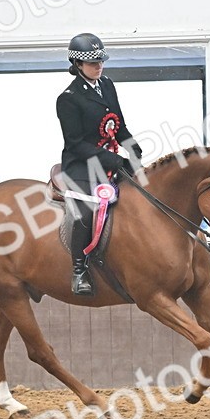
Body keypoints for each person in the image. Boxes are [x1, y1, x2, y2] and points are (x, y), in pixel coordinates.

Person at [56, 33, 142, 296]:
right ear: (78, 65)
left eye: (100, 61)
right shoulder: (68, 98)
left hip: (112, 158)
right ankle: (79, 270)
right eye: (92, 63)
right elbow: (76, 144)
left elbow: (118, 125)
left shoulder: (107, 85)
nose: (99, 66)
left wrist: (133, 149)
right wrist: (115, 160)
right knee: (85, 212)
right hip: (82, 165)